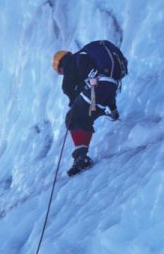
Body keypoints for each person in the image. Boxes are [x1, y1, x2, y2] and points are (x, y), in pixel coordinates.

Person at [53, 40, 128, 176]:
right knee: (84, 118)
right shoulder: (84, 58)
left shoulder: (70, 62)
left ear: (60, 66)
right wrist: (113, 108)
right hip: (110, 87)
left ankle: (81, 158)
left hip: (97, 90)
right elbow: (106, 86)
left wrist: (72, 102)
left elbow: (67, 87)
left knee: (72, 118)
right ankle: (81, 157)